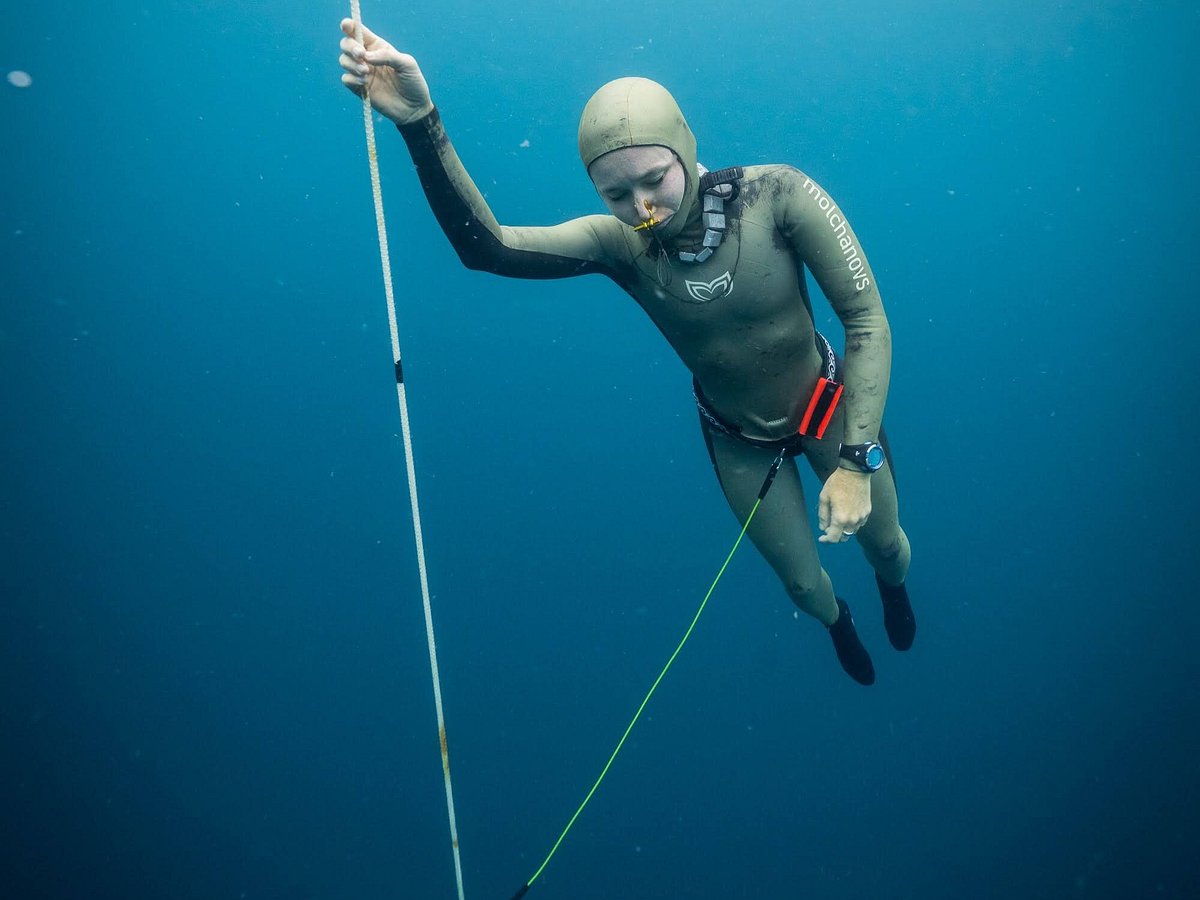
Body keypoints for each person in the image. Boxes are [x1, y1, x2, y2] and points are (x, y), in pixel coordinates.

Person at [338, 19, 916, 685]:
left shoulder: (776, 195)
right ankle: (838, 620)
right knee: (801, 589)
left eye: (654, 180)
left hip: (825, 409)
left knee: (886, 542)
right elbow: (487, 247)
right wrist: (420, 122)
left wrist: (854, 461)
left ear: (683, 149)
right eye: (616, 194)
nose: (642, 208)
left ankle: (891, 587)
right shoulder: (618, 244)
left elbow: (866, 320)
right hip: (737, 436)